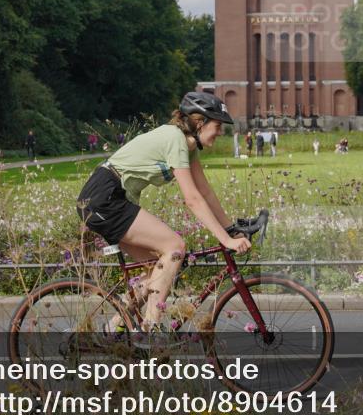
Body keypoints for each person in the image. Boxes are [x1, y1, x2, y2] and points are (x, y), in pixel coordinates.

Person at [76, 92, 251, 332]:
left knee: (155, 272)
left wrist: (231, 229)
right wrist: (226, 240)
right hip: (104, 197)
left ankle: (111, 331)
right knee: (175, 247)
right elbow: (192, 199)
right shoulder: (175, 139)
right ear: (200, 122)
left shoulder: (188, 147)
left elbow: (205, 192)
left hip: (110, 199)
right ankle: (151, 331)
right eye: (218, 126)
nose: (221, 132)